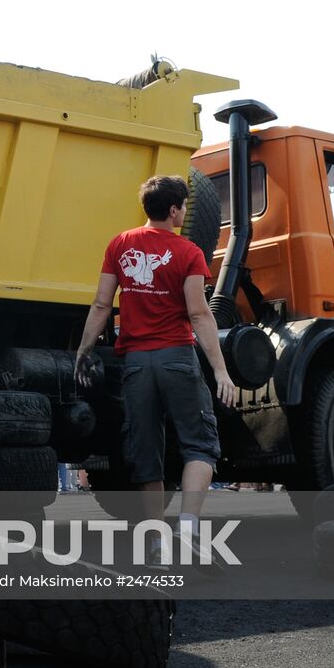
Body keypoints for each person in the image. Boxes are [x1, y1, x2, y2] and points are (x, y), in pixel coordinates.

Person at [74, 174, 237, 569]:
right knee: (200, 444)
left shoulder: (120, 244)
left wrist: (83, 350)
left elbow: (100, 304)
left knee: (145, 450)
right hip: (176, 357)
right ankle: (187, 530)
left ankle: (155, 545)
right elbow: (199, 313)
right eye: (183, 205)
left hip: (135, 363)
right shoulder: (189, 253)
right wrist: (221, 370)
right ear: (175, 209)